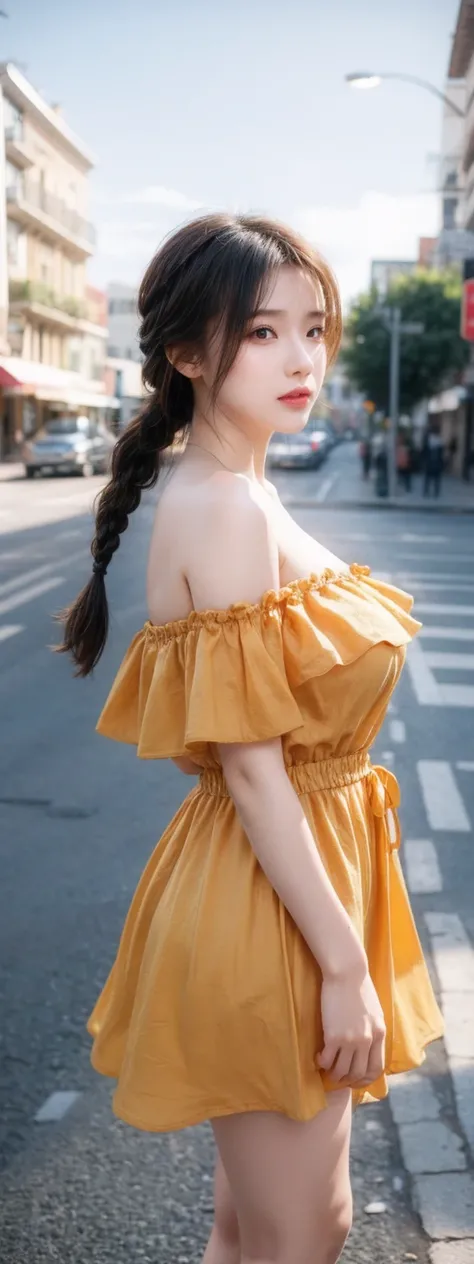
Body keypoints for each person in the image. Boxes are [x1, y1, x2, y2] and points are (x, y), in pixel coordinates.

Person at [55, 213, 444, 1264]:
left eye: (312, 328)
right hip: (276, 895)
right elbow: (257, 773)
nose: (303, 357)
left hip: (283, 877)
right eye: (263, 332)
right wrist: (346, 966)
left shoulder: (241, 492)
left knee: (252, 1229)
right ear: (187, 353)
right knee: (304, 1230)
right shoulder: (225, 506)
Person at [423, 422, 445, 498]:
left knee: (433, 479)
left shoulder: (437, 441)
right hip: (432, 462)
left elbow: (441, 453)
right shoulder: (432, 440)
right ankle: (430, 492)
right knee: (431, 479)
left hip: (434, 462)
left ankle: (432, 492)